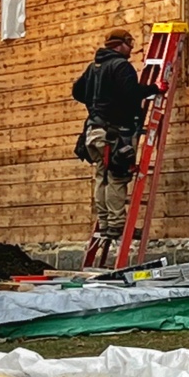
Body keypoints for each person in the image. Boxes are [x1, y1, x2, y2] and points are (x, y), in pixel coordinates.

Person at [72, 27, 164, 238]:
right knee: (116, 177)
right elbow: (132, 94)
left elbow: (77, 91)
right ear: (120, 44)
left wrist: (98, 104)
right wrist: (155, 88)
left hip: (94, 131)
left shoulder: (94, 67)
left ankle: (104, 223)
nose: (131, 49)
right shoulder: (121, 66)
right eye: (129, 44)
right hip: (114, 133)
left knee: (101, 176)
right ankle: (117, 225)